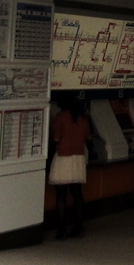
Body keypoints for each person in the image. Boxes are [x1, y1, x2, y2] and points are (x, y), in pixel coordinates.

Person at [49, 95, 92, 239]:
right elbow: (88, 137)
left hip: (63, 157)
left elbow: (56, 137)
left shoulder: (60, 116)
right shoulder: (83, 117)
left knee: (61, 196)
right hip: (78, 158)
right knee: (77, 194)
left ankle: (61, 230)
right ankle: (79, 228)